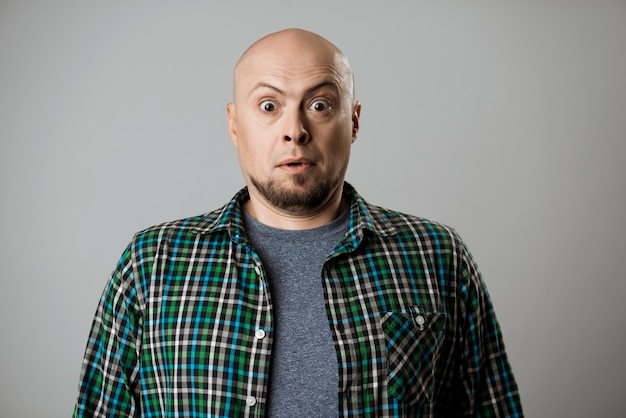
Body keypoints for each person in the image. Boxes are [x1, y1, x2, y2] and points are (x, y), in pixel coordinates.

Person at [73, 28, 523, 417]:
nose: (294, 130)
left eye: (321, 105)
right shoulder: (152, 264)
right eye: (268, 105)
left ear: (354, 122)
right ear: (234, 125)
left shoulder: (436, 256)